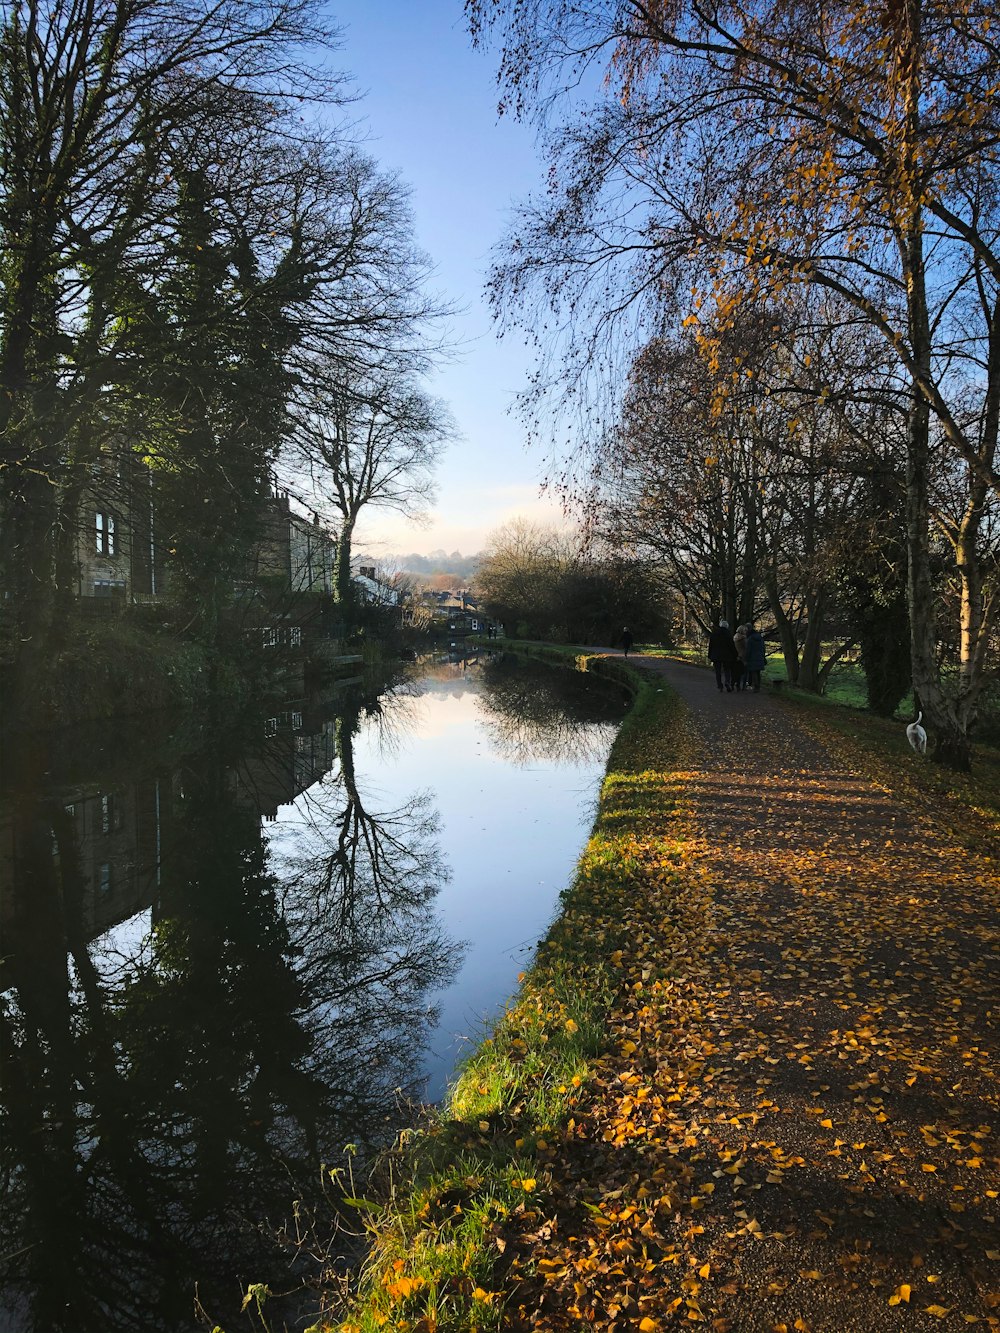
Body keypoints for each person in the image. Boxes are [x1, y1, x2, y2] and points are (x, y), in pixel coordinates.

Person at [707, 618, 739, 692]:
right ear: (727, 626)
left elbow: (711, 645)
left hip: (716, 655)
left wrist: (710, 655)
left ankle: (719, 685)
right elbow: (732, 646)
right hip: (727, 656)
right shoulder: (728, 635)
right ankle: (727, 682)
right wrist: (735, 655)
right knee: (727, 670)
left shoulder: (714, 634)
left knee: (718, 672)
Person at [744, 620, 766, 692]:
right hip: (760, 657)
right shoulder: (760, 638)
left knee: (753, 672)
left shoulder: (750, 639)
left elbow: (748, 650)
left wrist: (746, 659)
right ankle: (758, 686)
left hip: (752, 657)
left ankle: (756, 687)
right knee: (757, 672)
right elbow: (763, 648)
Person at [732, 622, 749, 691]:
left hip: (737, 656)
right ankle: (743, 686)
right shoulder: (743, 639)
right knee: (744, 672)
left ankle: (735, 683)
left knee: (737, 671)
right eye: (745, 630)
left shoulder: (735, 637)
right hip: (743, 656)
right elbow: (746, 648)